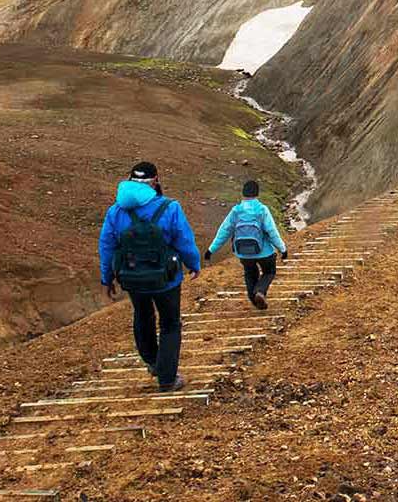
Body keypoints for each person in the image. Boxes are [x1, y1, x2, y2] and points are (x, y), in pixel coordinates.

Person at [99, 162, 201, 392]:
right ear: (155, 180)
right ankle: (166, 378)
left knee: (142, 317)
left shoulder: (115, 211)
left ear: (129, 180)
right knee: (170, 323)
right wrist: (193, 264)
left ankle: (153, 362)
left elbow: (106, 246)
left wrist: (107, 278)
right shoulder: (170, 208)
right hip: (166, 279)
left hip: (132, 278)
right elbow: (183, 239)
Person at [204, 180, 289, 310]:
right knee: (269, 272)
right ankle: (260, 291)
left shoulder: (236, 211)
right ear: (257, 194)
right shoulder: (261, 209)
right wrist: (282, 249)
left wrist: (211, 250)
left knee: (250, 273)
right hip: (264, 252)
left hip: (243, 252)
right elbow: (272, 232)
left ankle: (254, 299)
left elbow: (224, 231)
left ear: (242, 194)